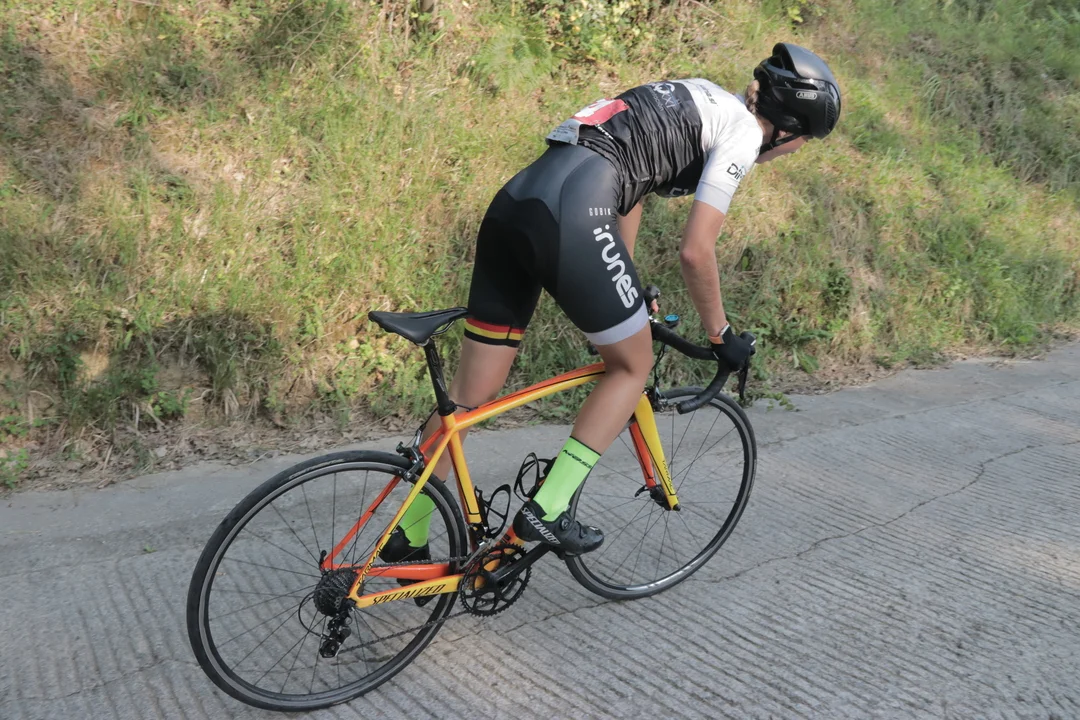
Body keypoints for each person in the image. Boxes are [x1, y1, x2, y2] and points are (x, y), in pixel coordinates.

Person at [383, 43, 842, 562]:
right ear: (787, 128)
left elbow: (631, 187)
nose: (796, 151)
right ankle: (549, 508)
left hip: (516, 205)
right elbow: (696, 251)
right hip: (574, 211)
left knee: (468, 397)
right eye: (804, 141)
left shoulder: (702, 96)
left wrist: (627, 280)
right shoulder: (742, 133)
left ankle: (408, 534)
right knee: (632, 365)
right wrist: (721, 335)